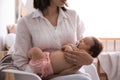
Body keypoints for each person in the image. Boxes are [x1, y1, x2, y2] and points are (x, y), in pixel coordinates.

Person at [10, 0, 94, 80]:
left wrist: (88, 60)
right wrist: (44, 74)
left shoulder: (73, 16)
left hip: (73, 74)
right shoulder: (26, 22)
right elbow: (20, 62)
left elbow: (84, 47)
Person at [28, 36, 103, 78]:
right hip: (45, 57)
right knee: (35, 51)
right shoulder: (74, 47)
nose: (80, 41)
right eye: (82, 40)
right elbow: (63, 47)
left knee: (35, 50)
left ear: (89, 52)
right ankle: (29, 58)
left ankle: (31, 59)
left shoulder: (79, 62)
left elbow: (69, 71)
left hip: (47, 67)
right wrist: (68, 47)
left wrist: (54, 76)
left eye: (84, 42)